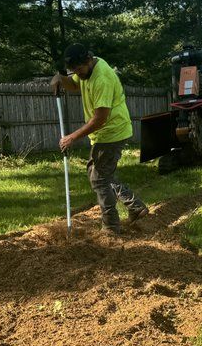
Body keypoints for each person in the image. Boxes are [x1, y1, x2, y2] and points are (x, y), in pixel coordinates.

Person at [50, 44, 149, 234]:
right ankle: (135, 206)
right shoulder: (87, 70)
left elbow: (100, 118)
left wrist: (72, 137)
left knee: (98, 178)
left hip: (111, 131)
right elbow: (74, 84)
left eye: (78, 69)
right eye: (73, 70)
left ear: (88, 60)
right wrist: (60, 79)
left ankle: (111, 227)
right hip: (108, 131)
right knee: (102, 173)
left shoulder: (101, 78)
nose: (77, 73)